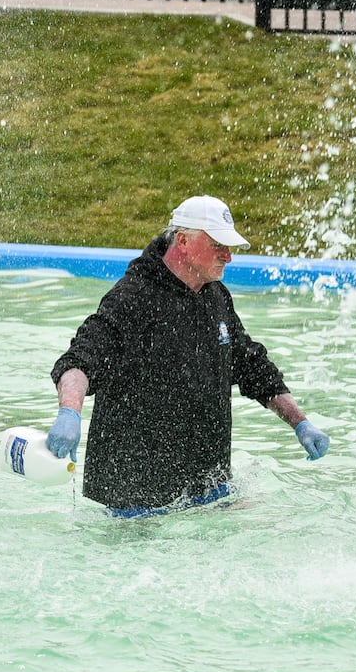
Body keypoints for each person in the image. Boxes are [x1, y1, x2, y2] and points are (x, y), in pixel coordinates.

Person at [47, 195, 330, 516]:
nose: (228, 257)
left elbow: (252, 367)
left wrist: (300, 423)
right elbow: (79, 361)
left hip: (209, 488)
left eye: (230, 247)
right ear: (182, 241)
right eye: (218, 246)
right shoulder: (132, 298)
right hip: (135, 500)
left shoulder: (216, 296)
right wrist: (69, 413)